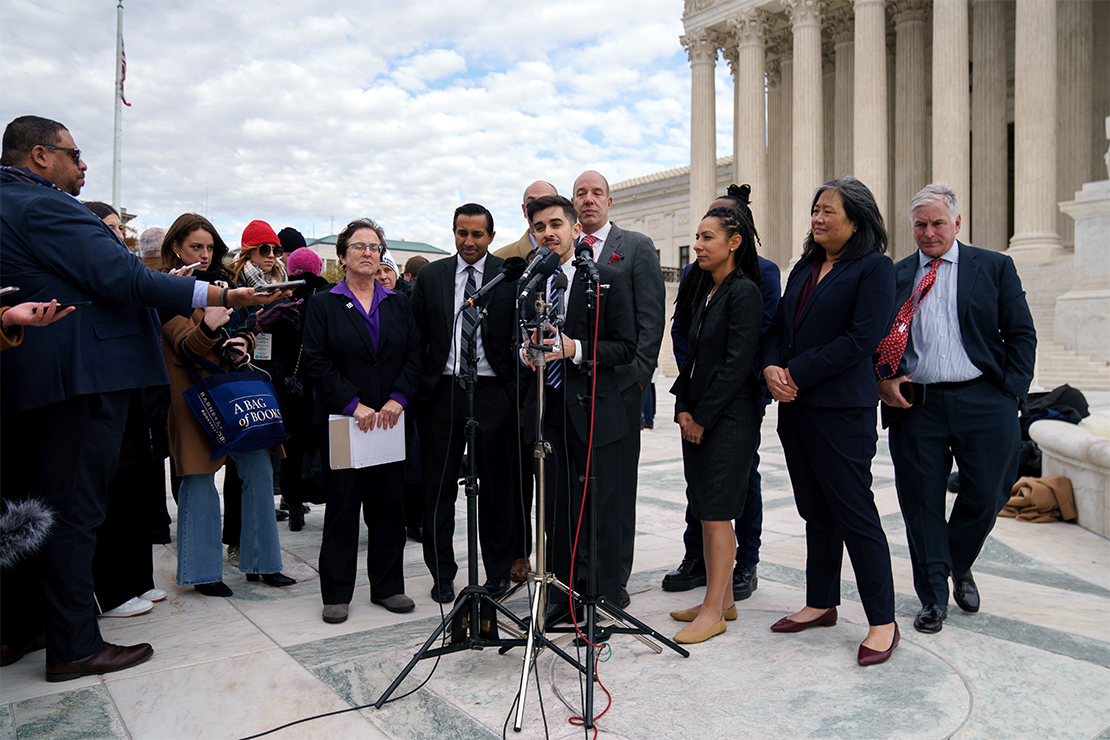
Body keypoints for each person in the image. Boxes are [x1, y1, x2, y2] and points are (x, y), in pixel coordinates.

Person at [0, 114, 279, 681]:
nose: (83, 166)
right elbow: (121, 278)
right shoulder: (44, 205)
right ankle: (74, 646)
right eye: (74, 154)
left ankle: (21, 628)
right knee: (72, 514)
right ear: (38, 155)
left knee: (31, 515)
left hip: (42, 376)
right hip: (79, 379)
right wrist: (218, 290)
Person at [876, 183, 1036, 634]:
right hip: (916, 403)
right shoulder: (895, 274)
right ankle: (933, 598)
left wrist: (1012, 395)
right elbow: (874, 338)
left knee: (988, 493)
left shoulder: (995, 267)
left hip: (984, 398)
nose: (929, 233)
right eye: (921, 225)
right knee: (920, 504)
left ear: (957, 223)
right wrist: (881, 380)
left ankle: (956, 562)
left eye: (938, 223)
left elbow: (1021, 334)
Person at [761, 175, 900, 666]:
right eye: (815, 209)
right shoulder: (805, 265)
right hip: (796, 409)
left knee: (854, 514)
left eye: (828, 211)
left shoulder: (875, 269)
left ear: (857, 220)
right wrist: (771, 367)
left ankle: (883, 620)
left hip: (842, 412)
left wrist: (795, 371)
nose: (817, 218)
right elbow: (778, 326)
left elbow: (863, 339)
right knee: (815, 512)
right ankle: (821, 603)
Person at [160, 214, 296, 598]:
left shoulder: (226, 283)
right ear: (176, 248)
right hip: (191, 393)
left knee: (258, 468)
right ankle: (203, 572)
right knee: (200, 479)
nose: (204, 255)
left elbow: (251, 325)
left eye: (209, 247)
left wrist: (246, 343)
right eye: (195, 247)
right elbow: (184, 345)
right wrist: (209, 328)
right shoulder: (166, 289)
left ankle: (263, 564)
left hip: (235, 387)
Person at [663, 184, 781, 602]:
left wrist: (707, 407)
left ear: (738, 235)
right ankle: (706, 571)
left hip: (734, 403)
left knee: (733, 490)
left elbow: (748, 347)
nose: (697, 244)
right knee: (705, 495)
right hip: (702, 399)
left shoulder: (754, 280)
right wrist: (688, 399)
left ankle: (741, 565)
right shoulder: (704, 277)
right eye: (697, 233)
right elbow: (686, 334)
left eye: (707, 234)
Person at [302, 218, 421, 623]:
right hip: (344, 423)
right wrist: (353, 404)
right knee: (342, 508)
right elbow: (316, 362)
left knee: (389, 508)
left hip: (389, 422)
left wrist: (399, 398)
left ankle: (388, 587)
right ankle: (336, 593)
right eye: (359, 246)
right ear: (342, 256)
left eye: (374, 246)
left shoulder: (399, 303)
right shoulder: (323, 304)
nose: (368, 252)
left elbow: (414, 356)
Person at [523, 194, 634, 623]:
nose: (547, 233)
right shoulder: (531, 282)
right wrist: (526, 354)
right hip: (547, 412)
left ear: (574, 229)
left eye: (555, 224)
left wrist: (576, 349)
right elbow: (519, 343)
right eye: (539, 227)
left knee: (600, 508)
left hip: (595, 412)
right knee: (556, 509)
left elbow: (626, 347)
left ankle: (602, 596)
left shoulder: (606, 278)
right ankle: (561, 595)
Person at [409, 203, 521, 603]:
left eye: (477, 234)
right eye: (462, 233)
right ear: (453, 233)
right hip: (443, 392)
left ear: (491, 237)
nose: (468, 241)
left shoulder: (509, 276)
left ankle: (496, 573)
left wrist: (513, 393)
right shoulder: (432, 276)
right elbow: (416, 335)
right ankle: (441, 574)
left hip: (493, 393)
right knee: (438, 488)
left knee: (496, 489)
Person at [572, 170, 664, 607]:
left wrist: (635, 380)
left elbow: (650, 321)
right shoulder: (564, 253)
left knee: (615, 488)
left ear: (609, 202)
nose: (588, 200)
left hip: (619, 391)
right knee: (577, 490)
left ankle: (613, 579)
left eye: (596, 193)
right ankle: (578, 574)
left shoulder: (636, 248)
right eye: (580, 194)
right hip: (570, 393)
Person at [494, 180, 559, 585]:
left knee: (556, 487)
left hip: (560, 395)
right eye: (534, 209)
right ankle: (518, 554)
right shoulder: (505, 261)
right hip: (516, 396)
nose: (542, 220)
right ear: (524, 213)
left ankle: (558, 559)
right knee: (517, 484)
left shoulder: (570, 262)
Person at [267, 247, 334, 531]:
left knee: (293, 448)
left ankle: (293, 506)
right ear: (318, 269)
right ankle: (332, 503)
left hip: (293, 386)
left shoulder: (284, 297)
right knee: (329, 446)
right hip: (324, 386)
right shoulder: (331, 297)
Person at [493, 180, 559, 262]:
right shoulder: (500, 259)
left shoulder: (574, 254)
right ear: (524, 210)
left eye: (546, 202)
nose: (538, 209)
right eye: (532, 203)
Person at [230, 220, 288, 287]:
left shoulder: (282, 276)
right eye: (264, 249)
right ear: (249, 251)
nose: (271, 255)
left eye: (276, 250)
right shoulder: (228, 282)